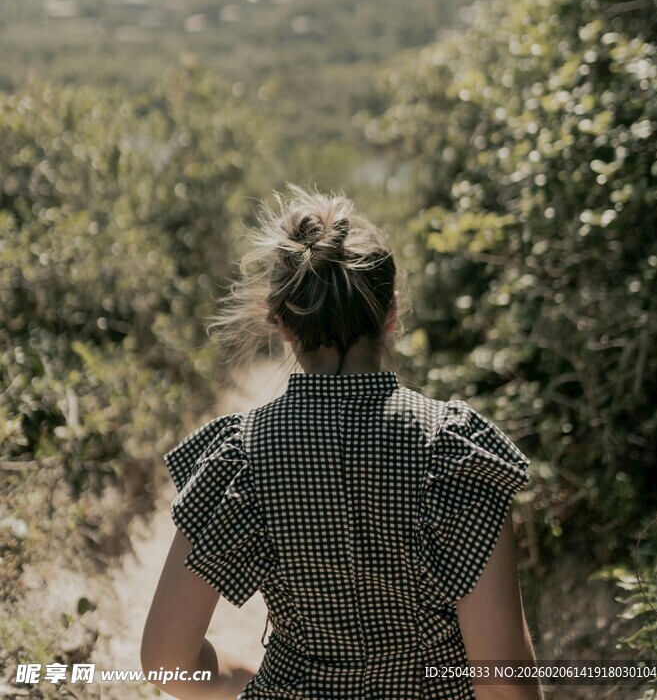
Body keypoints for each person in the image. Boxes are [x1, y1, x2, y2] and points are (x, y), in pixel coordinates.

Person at [141, 186, 543, 700]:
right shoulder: (454, 454)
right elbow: (505, 687)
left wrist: (248, 682)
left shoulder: (241, 458)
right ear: (392, 312)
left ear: (282, 323)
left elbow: (167, 662)